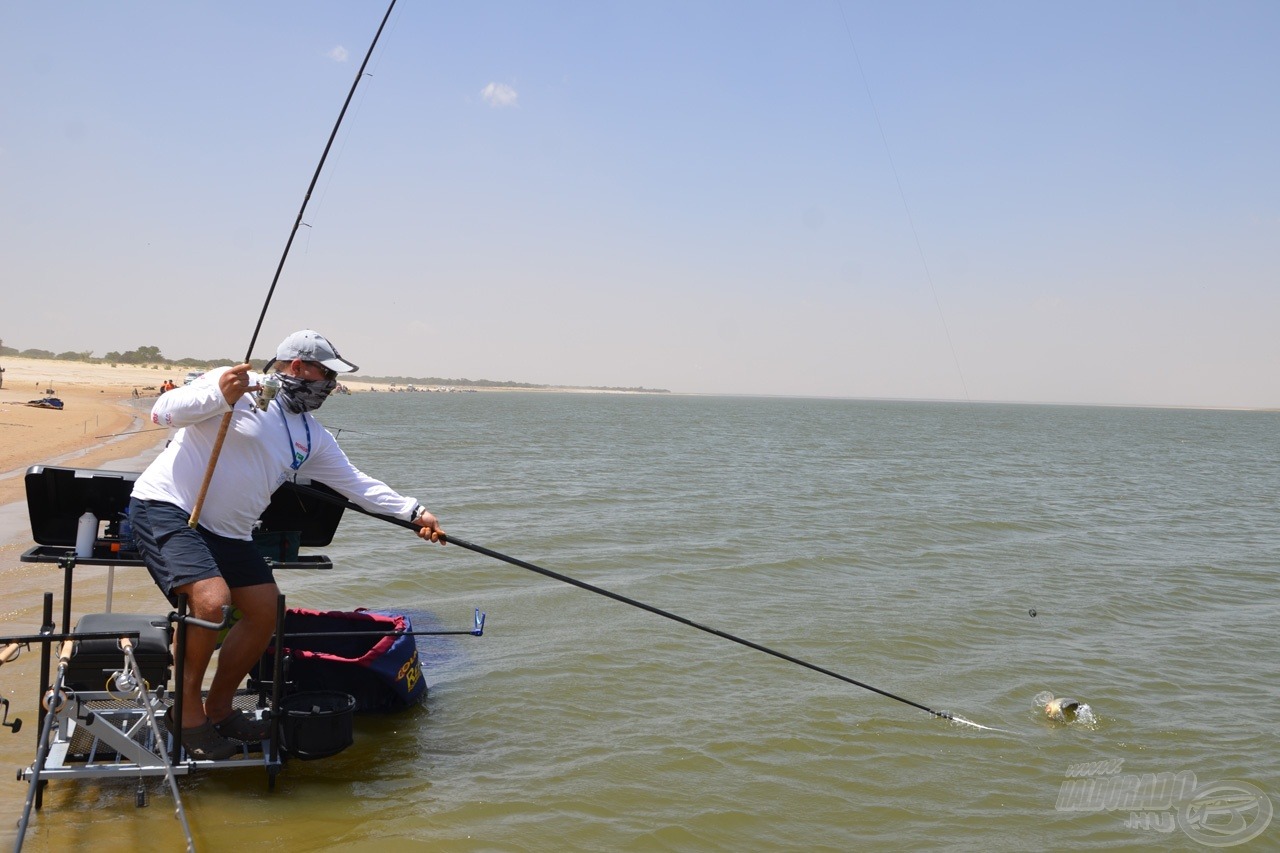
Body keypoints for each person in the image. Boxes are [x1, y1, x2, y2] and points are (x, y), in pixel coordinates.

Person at [129, 330, 444, 759]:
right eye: (325, 374)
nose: (329, 385)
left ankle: (219, 709)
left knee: (264, 613)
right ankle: (185, 714)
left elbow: (354, 484)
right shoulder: (235, 384)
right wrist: (217, 398)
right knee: (211, 602)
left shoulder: (311, 434)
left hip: (230, 532)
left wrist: (413, 512)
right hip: (171, 508)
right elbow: (162, 413)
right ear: (296, 367)